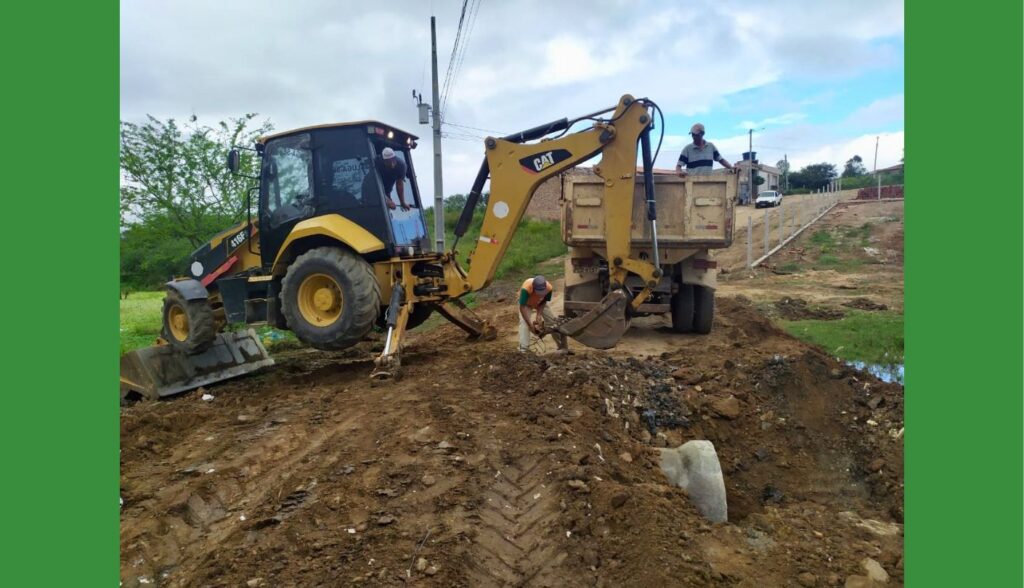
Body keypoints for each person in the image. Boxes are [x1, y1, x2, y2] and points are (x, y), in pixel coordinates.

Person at [518, 275, 569, 354]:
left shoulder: (549, 288)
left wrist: (538, 314)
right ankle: (524, 350)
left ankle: (561, 347)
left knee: (552, 322)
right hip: (527, 304)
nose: (541, 294)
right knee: (524, 324)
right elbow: (522, 308)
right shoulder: (526, 289)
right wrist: (531, 325)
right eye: (539, 292)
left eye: (542, 292)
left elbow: (544, 302)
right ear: (534, 288)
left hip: (540, 303)